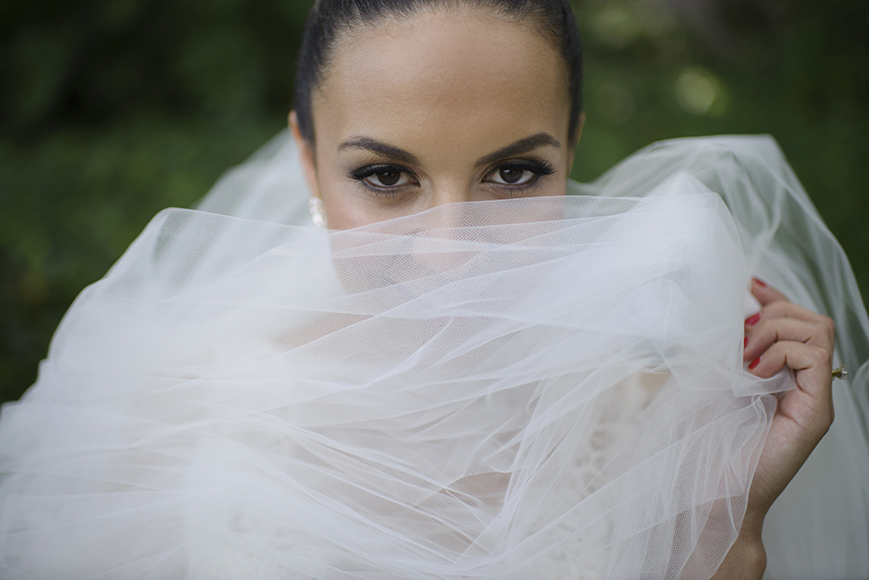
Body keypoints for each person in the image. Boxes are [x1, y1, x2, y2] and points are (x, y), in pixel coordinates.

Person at [0, 1, 867, 579]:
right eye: (384, 176)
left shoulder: (665, 431)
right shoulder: (166, 427)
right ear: (307, 159)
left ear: (571, 150)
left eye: (515, 173)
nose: (448, 254)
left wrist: (727, 525)